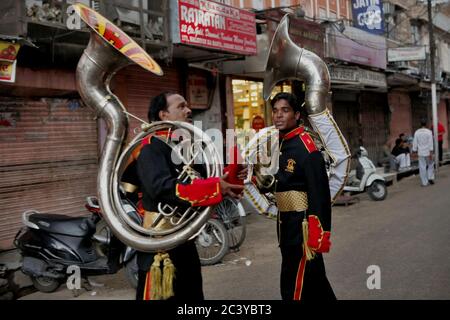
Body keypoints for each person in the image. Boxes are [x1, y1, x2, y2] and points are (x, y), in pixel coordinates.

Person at [123, 91, 245, 300]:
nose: (189, 110)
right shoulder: (151, 146)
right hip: (161, 245)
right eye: (181, 106)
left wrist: (229, 177)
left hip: (184, 239)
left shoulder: (180, 145)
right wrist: (216, 187)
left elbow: (201, 179)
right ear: (163, 114)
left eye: (187, 106)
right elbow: (162, 188)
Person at [269, 92, 335, 300]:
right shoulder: (280, 143)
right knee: (316, 284)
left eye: (285, 110)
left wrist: (317, 233)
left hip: (303, 230)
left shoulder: (307, 148)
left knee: (293, 286)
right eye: (275, 111)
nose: (278, 115)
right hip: (286, 225)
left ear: (297, 115)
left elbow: (320, 194)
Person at [412, 118, 435, 186]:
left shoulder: (417, 132)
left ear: (420, 124)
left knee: (422, 167)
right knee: (431, 165)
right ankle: (430, 177)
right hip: (428, 152)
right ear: (426, 124)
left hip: (421, 153)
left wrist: (414, 151)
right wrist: (431, 152)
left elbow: (415, 143)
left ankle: (424, 183)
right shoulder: (429, 132)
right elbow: (431, 142)